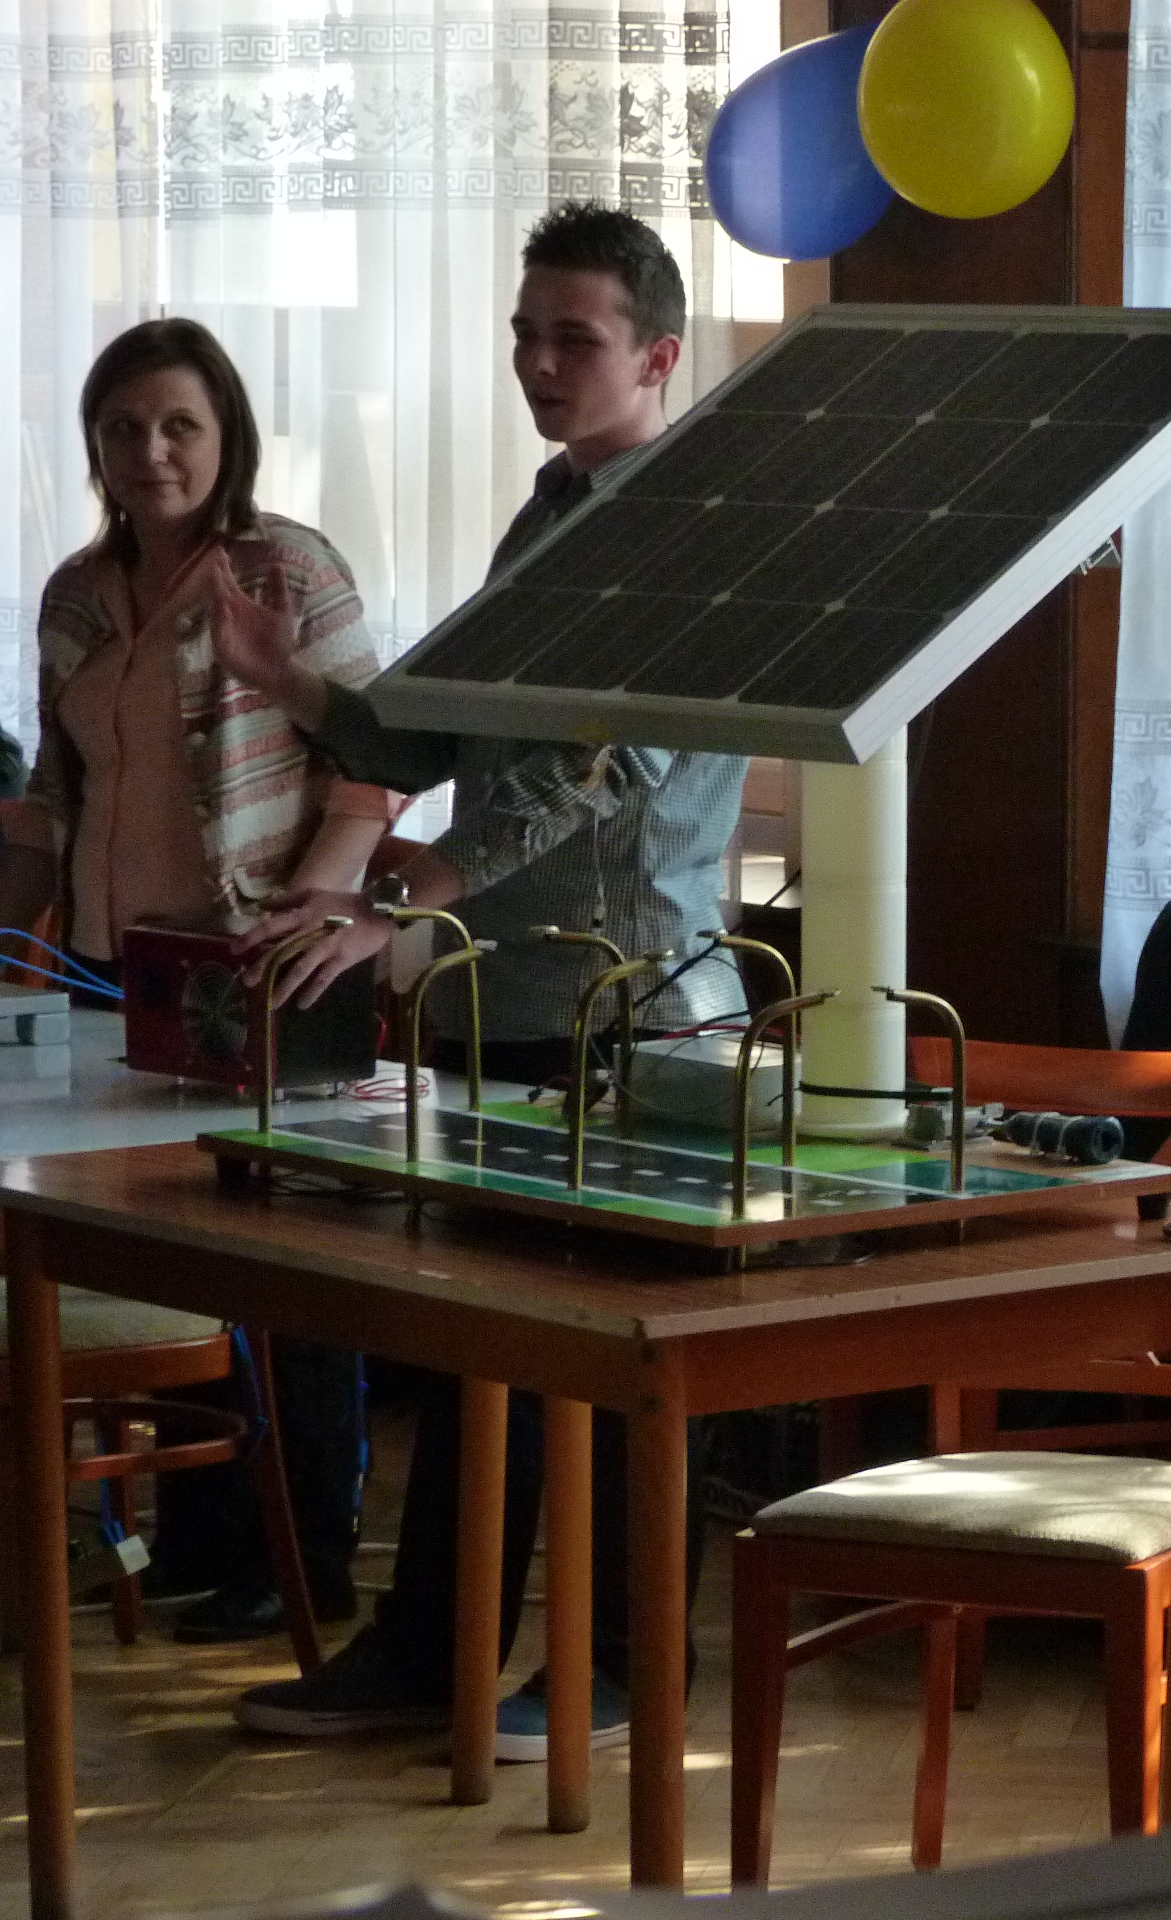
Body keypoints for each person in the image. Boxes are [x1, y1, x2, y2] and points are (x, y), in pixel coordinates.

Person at [218, 203, 746, 1760]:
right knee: (474, 1356)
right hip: (505, 1007)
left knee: (618, 1367)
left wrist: (415, 889)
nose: (538, 363)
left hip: (632, 1012)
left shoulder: (689, 531)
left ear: (659, 356)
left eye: (573, 339)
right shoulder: (549, 510)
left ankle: (618, 1672)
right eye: (525, 334)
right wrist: (290, 680)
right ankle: (427, 1656)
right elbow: (448, 725)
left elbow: (606, 762)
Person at [0, 317, 401, 1641]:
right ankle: (203, 1538)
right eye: (123, 428)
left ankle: (304, 1553)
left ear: (227, 434)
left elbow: (376, 763)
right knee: (168, 1254)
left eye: (180, 424)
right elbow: (52, 796)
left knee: (285, 1266)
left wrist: (314, 906)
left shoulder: (289, 567)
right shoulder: (73, 593)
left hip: (255, 970)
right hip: (110, 969)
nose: (152, 452)